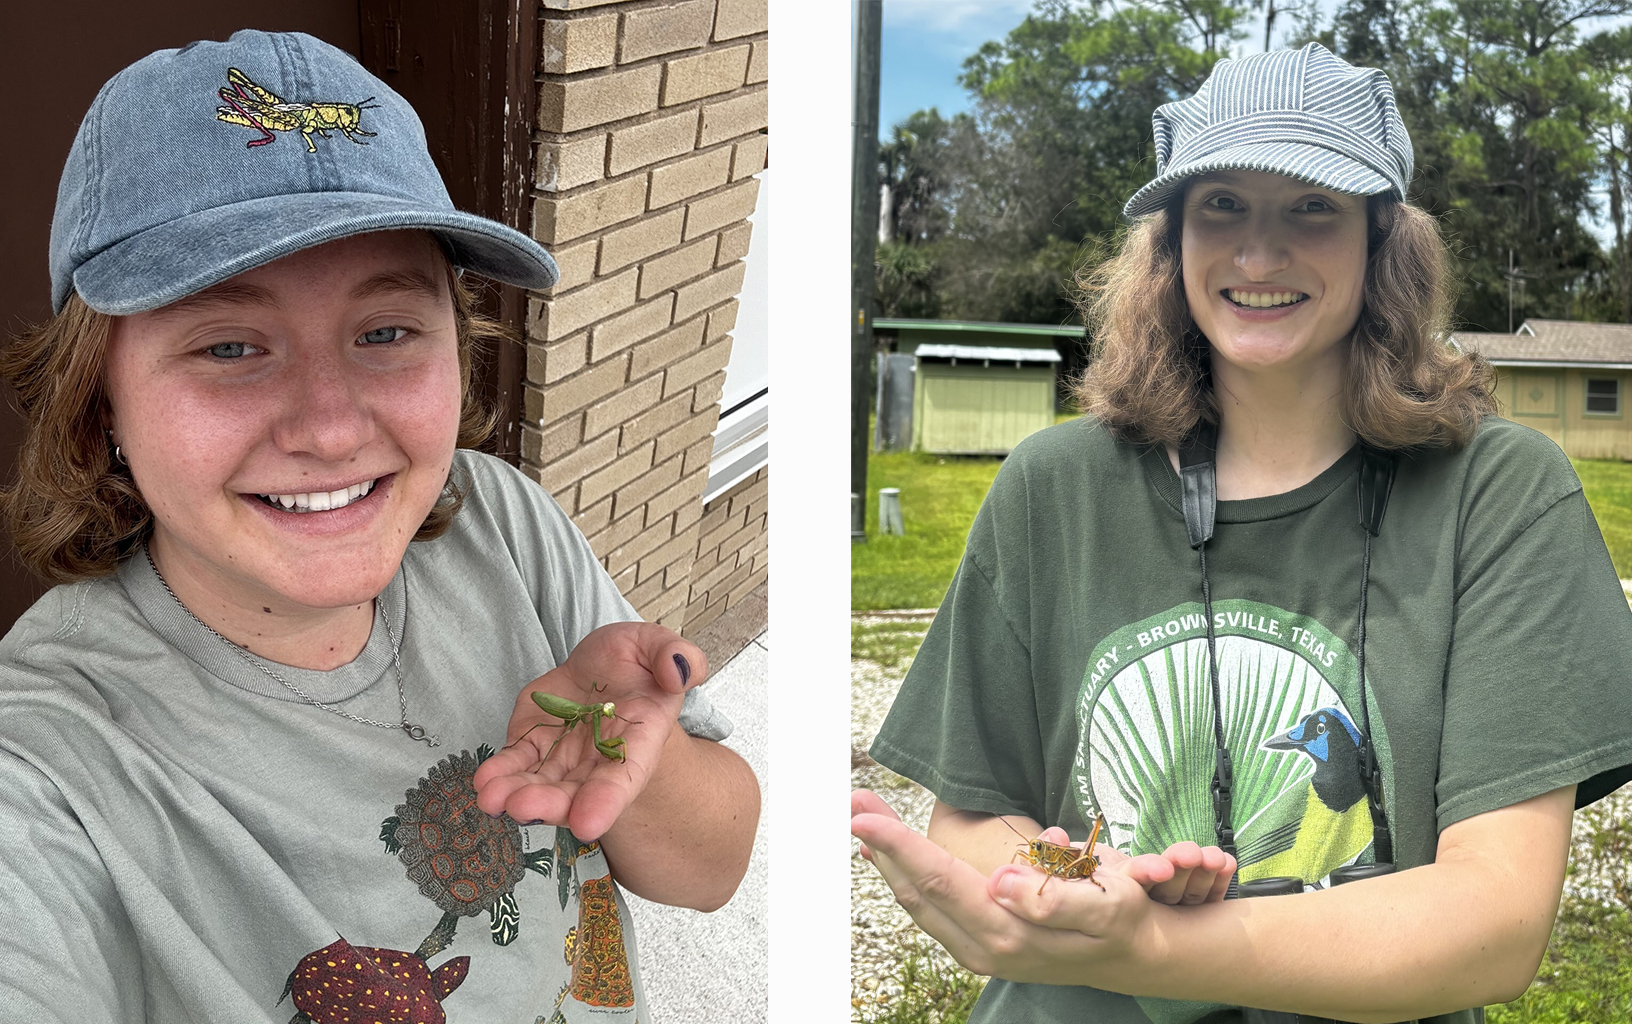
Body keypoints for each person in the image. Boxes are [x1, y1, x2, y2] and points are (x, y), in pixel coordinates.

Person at [853, 42, 1632, 1023]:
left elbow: (1495, 919)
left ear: (1380, 237)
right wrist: (1060, 882)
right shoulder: (1051, 487)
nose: (1259, 254)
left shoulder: (1501, 493)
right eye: (1221, 203)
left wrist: (1155, 943)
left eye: (1312, 205)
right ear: (1172, 238)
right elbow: (971, 813)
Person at [0, 30, 758, 1022]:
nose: (330, 425)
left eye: (387, 332)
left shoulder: (503, 521)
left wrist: (637, 768)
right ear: (101, 407)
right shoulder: (54, 764)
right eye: (230, 345)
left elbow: (712, 869)